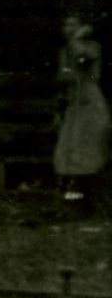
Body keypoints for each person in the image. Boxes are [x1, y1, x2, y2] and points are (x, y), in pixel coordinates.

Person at [55, 14, 109, 204]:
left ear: (83, 27)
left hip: (90, 101)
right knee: (70, 148)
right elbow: (63, 75)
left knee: (88, 147)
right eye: (66, 24)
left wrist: (76, 40)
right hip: (74, 101)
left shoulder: (92, 46)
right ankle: (73, 197)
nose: (68, 28)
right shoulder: (64, 50)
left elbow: (83, 57)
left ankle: (91, 197)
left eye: (73, 24)